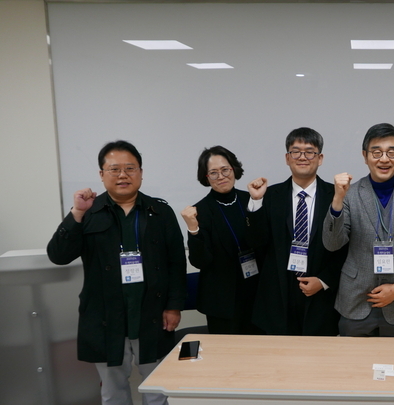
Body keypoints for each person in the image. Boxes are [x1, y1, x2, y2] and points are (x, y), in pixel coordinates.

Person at [47, 140, 186, 405]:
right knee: (113, 393)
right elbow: (58, 256)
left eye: (130, 168)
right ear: (102, 174)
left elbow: (176, 263)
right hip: (105, 317)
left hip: (152, 314)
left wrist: (174, 306)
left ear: (141, 173)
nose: (123, 175)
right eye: (114, 169)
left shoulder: (160, 212)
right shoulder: (88, 211)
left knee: (158, 390)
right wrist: (76, 213)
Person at [323, 123, 394, 337]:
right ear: (365, 156)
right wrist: (337, 200)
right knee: (352, 359)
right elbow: (332, 243)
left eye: (392, 152)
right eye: (376, 152)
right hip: (356, 301)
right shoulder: (350, 194)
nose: (384, 159)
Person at [246, 128, 347, 335]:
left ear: (320, 158)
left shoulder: (336, 195)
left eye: (309, 152)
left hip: (321, 296)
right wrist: (256, 201)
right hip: (278, 296)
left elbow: (347, 247)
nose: (302, 157)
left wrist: (324, 280)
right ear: (287, 158)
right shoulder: (270, 195)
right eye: (296, 151)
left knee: (318, 354)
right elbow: (256, 243)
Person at [181, 146, 264, 335]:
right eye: (213, 173)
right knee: (227, 352)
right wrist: (193, 229)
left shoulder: (252, 200)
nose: (221, 176)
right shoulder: (199, 211)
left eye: (225, 170)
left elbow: (264, 243)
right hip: (222, 302)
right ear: (206, 177)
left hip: (258, 296)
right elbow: (200, 261)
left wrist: (258, 204)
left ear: (234, 169)